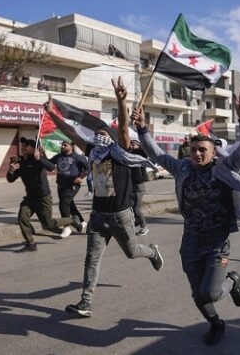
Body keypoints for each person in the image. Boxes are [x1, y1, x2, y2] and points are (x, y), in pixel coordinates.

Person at [133, 89, 240, 346]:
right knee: (197, 295)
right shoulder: (182, 168)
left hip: (216, 242)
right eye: (193, 150)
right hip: (191, 240)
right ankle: (216, 324)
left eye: (203, 150)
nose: (197, 154)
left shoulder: (223, 169)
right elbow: (156, 154)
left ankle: (232, 280)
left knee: (209, 292)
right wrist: (143, 128)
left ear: (213, 152)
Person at [45, 78, 163, 319]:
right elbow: (69, 131)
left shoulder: (120, 154)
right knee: (91, 259)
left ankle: (152, 253)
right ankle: (85, 302)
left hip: (120, 216)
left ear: (111, 138)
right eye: (96, 135)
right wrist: (52, 115)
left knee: (131, 252)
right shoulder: (93, 153)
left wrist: (122, 101)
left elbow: (122, 130)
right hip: (98, 217)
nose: (98, 138)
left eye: (102, 134)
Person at [7, 137, 79, 252]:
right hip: (30, 198)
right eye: (22, 146)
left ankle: (72, 220)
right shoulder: (20, 161)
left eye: (26, 146)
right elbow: (11, 179)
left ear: (33, 148)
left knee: (48, 225)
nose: (23, 148)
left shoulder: (39, 159)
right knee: (22, 218)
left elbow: (51, 167)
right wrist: (11, 170)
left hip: (43, 198)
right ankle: (30, 244)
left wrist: (39, 158)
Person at [50, 140, 88, 231]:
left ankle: (66, 227)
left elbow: (89, 167)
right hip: (61, 185)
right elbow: (49, 163)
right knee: (70, 205)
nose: (62, 146)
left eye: (65, 145)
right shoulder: (58, 157)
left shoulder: (78, 157)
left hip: (72, 185)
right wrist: (42, 155)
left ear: (71, 146)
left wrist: (81, 177)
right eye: (62, 145)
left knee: (63, 204)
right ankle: (82, 222)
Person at [129, 139, 149, 235]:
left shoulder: (140, 154)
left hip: (139, 185)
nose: (131, 146)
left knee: (136, 207)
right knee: (131, 206)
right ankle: (136, 222)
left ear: (138, 145)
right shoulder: (130, 154)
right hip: (131, 184)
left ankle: (144, 227)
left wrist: (139, 147)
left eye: (133, 144)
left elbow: (145, 152)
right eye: (130, 144)